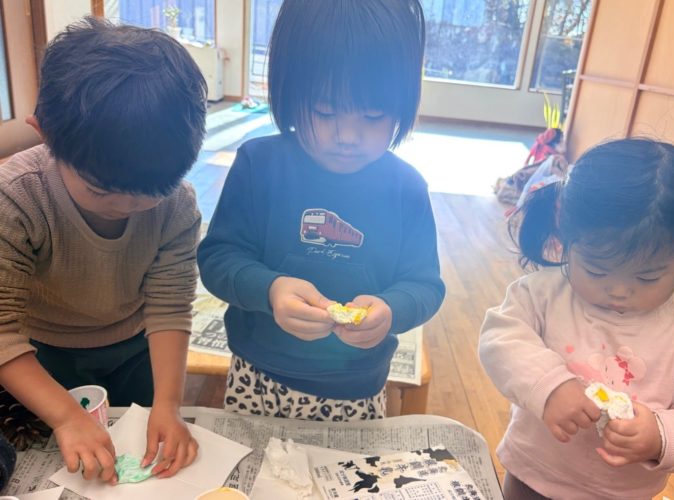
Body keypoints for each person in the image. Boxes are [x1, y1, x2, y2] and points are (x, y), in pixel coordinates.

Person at [198, 0, 445, 422]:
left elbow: (424, 285)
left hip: (357, 383)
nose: (347, 135)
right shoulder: (259, 165)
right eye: (325, 111)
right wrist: (270, 288)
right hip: (258, 374)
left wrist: (391, 310)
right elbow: (219, 258)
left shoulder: (406, 188)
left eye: (373, 115)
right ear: (289, 92)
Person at [479, 138, 674, 499]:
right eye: (596, 270)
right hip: (533, 475)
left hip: (622, 493)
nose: (619, 291)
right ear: (564, 228)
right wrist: (550, 385)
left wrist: (661, 434)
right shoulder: (542, 294)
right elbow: (501, 339)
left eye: (647, 277)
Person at [0, 17, 206, 483]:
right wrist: (65, 416)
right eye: (102, 190)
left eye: (151, 193)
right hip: (39, 355)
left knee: (142, 446)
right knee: (52, 461)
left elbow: (170, 304)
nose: (128, 206)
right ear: (45, 135)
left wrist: (169, 405)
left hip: (136, 347)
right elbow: (2, 329)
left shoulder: (177, 204)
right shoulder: (16, 198)